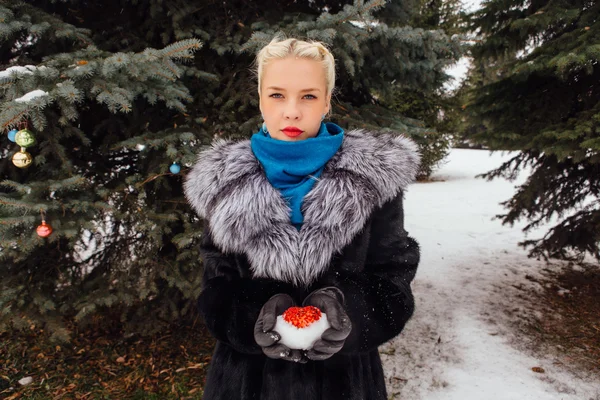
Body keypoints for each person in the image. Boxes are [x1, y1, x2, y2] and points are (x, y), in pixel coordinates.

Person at [183, 37, 421, 400]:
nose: (291, 111)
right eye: (277, 95)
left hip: (345, 384)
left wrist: (348, 313)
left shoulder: (375, 181)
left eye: (308, 96)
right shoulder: (222, 182)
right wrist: (252, 317)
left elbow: (393, 279)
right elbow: (217, 285)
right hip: (245, 384)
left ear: (327, 100)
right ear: (260, 97)